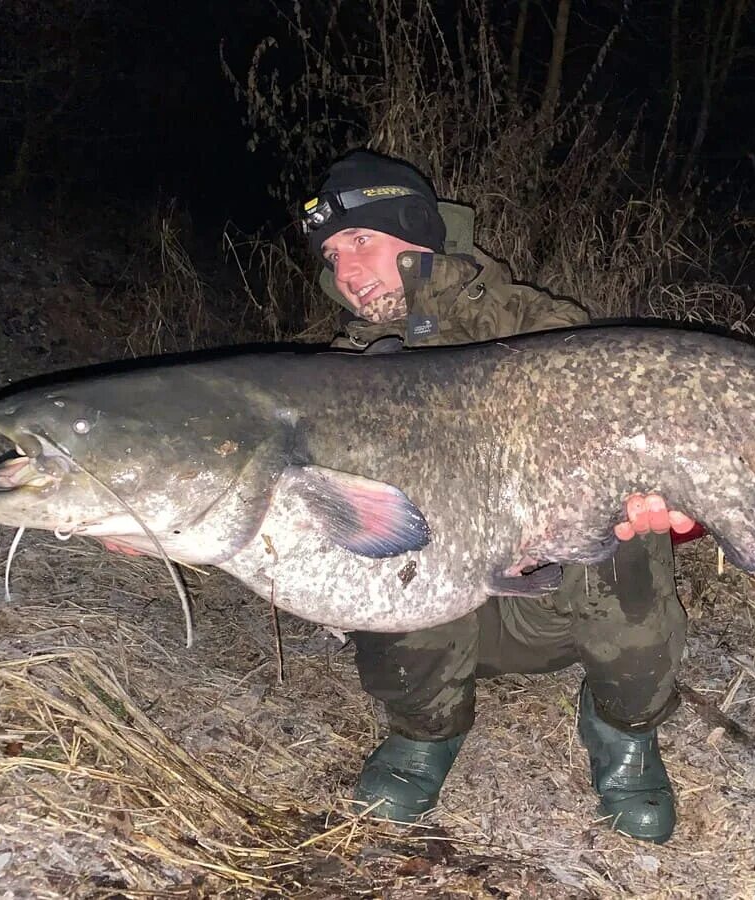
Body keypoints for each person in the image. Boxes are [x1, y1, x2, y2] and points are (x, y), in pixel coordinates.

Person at [298, 150, 697, 844]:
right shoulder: (339, 375)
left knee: (628, 531)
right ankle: (426, 733)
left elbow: (659, 456)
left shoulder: (542, 329)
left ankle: (622, 727)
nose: (346, 274)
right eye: (331, 256)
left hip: (551, 609)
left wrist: (674, 516)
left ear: (417, 229)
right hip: (431, 623)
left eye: (360, 239)